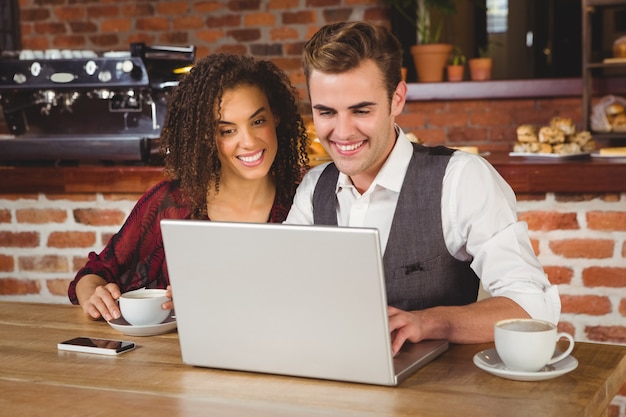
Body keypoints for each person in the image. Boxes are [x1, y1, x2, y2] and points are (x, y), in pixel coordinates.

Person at [286, 21, 561, 355]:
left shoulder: (460, 179)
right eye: (326, 112)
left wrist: (430, 322)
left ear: (397, 98)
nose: (342, 132)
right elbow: (287, 296)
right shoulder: (313, 189)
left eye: (361, 110)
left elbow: (534, 307)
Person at [69, 53, 309, 321]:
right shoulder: (171, 204)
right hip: (178, 360)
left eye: (257, 122)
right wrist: (94, 294)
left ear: (275, 117)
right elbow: (95, 273)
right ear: (207, 136)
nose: (249, 142)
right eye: (227, 130)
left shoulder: (307, 199)